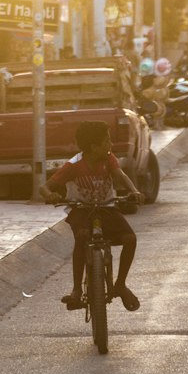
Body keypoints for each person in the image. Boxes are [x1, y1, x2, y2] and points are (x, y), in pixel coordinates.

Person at [41, 121, 144, 312]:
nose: (110, 145)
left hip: (106, 208)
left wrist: (134, 191)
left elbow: (120, 175)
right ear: (93, 146)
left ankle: (120, 284)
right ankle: (77, 290)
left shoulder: (108, 158)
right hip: (81, 210)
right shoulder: (73, 165)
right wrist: (50, 195)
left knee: (130, 239)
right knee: (81, 237)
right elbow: (45, 187)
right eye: (106, 141)